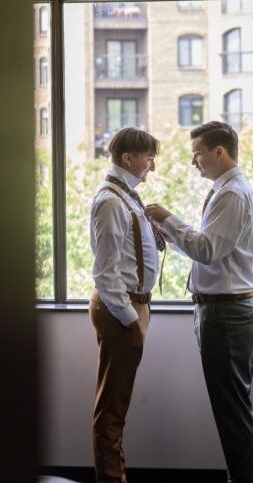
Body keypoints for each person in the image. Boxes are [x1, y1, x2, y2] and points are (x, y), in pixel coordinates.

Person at [145, 121, 253, 483]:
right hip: (221, 311)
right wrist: (170, 234)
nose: (193, 161)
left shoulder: (232, 194)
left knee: (233, 412)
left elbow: (208, 250)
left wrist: (168, 217)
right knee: (232, 409)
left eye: (197, 153)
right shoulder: (225, 191)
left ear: (219, 152)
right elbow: (207, 249)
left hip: (227, 314)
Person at [88, 127, 164, 483]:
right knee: (112, 410)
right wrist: (131, 320)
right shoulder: (110, 201)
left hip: (132, 307)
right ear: (127, 159)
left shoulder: (127, 197)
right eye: (148, 157)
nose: (152, 165)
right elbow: (105, 273)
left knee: (118, 404)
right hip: (122, 310)